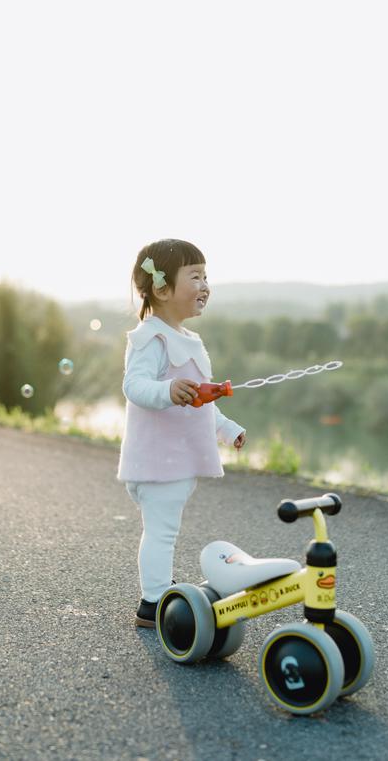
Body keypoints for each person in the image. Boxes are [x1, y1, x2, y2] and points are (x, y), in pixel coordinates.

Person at [118, 238, 247, 628]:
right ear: (162, 289)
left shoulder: (188, 340)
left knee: (165, 530)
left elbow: (201, 401)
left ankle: (159, 588)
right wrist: (167, 390)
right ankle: (153, 602)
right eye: (195, 276)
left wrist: (227, 429)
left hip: (176, 459)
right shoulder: (151, 337)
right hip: (158, 459)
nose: (205, 285)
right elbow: (134, 386)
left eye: (206, 276)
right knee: (161, 532)